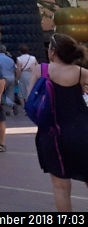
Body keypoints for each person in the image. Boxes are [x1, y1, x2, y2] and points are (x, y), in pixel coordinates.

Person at [37, 33, 88, 212]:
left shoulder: (40, 70)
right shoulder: (82, 73)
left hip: (52, 134)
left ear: (53, 51)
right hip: (82, 132)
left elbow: (30, 100)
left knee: (60, 188)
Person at [0, 43, 19, 117]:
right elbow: (15, 69)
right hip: (11, 77)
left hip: (2, 78)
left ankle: (11, 104)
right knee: (10, 93)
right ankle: (8, 110)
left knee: (0, 93)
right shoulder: (10, 59)